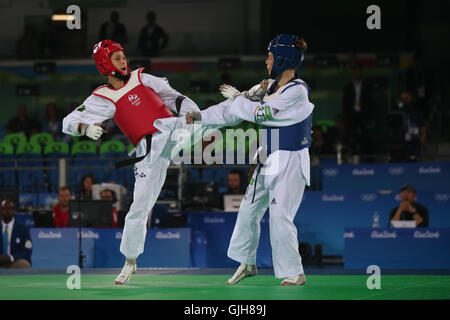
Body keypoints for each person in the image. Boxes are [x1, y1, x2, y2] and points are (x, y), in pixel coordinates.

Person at [62, 40, 204, 285]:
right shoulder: (102, 97)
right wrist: (85, 128)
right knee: (139, 207)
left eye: (124, 57)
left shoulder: (143, 78)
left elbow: (176, 98)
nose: (124, 61)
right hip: (147, 151)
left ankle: (246, 102)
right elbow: (67, 122)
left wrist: (194, 113)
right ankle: (130, 261)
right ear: (105, 64)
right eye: (117, 58)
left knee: (209, 120)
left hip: (171, 130)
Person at [187, 34, 313, 286]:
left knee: (280, 216)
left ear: (283, 59)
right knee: (248, 209)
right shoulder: (269, 86)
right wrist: (200, 116)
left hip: (290, 159)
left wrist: (238, 99)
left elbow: (259, 113)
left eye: (270, 56)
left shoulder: (297, 90)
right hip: (268, 155)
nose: (267, 60)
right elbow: (231, 112)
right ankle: (247, 262)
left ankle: (294, 272)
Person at [341, 66, 374, 158]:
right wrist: (345, 118)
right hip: (352, 115)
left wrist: (371, 118)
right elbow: (345, 103)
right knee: (351, 137)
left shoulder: (367, 86)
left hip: (364, 114)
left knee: (366, 137)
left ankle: (367, 157)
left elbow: (371, 103)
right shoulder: (348, 87)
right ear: (352, 74)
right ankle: (352, 157)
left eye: (358, 72)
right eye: (355, 72)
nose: (357, 74)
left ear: (361, 73)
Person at [0, 200, 32, 269]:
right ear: (0, 210)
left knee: (24, 264)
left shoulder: (23, 229)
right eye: (5, 209)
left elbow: (27, 251)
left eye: (10, 208)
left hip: (14, 262)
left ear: (14, 211)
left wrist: (11, 257)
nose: (7, 211)